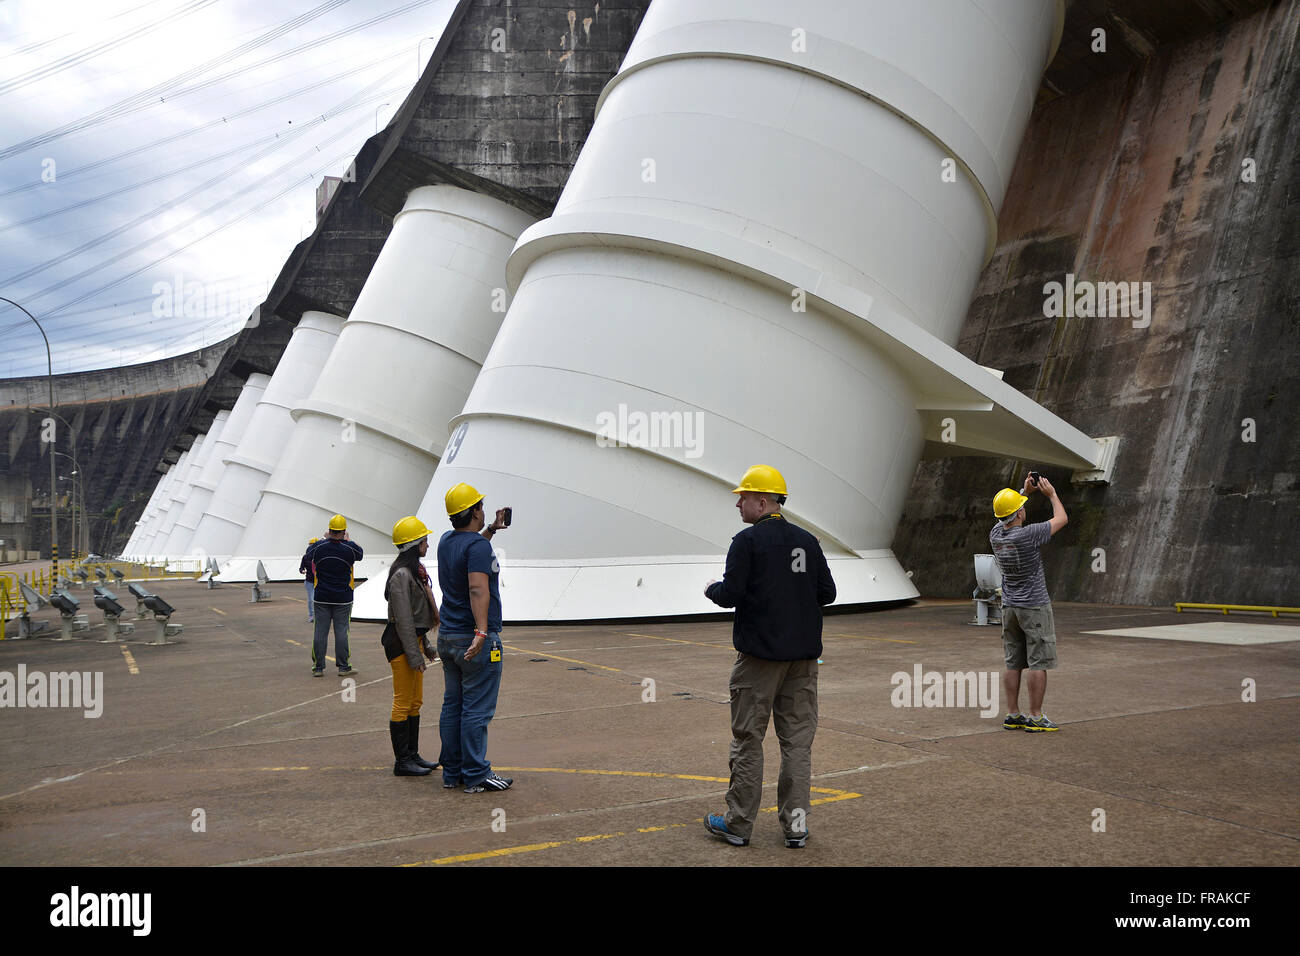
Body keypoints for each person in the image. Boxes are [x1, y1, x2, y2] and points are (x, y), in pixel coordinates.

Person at [702, 464, 836, 849]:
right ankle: (796, 827)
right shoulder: (808, 541)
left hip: (759, 658)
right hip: (803, 660)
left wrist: (712, 588)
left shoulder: (746, 542)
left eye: (743, 497)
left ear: (762, 502)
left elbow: (731, 595)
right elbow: (827, 594)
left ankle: (738, 823)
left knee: (748, 739)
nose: (738, 504)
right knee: (796, 743)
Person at [436, 482, 512, 793]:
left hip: (448, 636)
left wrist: (492, 530)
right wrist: (481, 631)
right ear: (475, 512)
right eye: (481, 507)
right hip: (473, 638)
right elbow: (477, 588)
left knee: (453, 704)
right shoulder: (478, 548)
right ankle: (477, 773)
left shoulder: (446, 541)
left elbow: (470, 552)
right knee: (477, 709)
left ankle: (452, 772)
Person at [990, 473, 1068, 733]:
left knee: (1013, 662)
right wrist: (1052, 495)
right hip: (1033, 605)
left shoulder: (996, 535)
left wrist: (1023, 492)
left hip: (1010, 606)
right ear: (1020, 514)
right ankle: (1035, 715)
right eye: (1021, 508)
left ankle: (1013, 713)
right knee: (1038, 662)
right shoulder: (1028, 535)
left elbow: (1006, 514)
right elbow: (1062, 519)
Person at [384, 516, 440, 776]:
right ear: (413, 544)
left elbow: (417, 620)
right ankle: (402, 762)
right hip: (401, 644)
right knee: (403, 702)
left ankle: (412, 755)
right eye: (424, 541)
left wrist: (425, 644)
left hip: (412, 641)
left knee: (415, 702)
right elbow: (403, 619)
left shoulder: (414, 572)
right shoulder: (401, 575)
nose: (427, 545)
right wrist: (414, 653)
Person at [310, 513, 363, 678]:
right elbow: (360, 553)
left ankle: (318, 667)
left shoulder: (319, 547)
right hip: (343, 598)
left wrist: (323, 539)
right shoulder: (349, 548)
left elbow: (308, 552)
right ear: (344, 531)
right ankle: (343, 666)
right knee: (341, 632)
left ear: (329, 530)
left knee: (320, 631)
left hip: (321, 596)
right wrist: (347, 540)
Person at [299, 537, 319, 623]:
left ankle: (319, 616)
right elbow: (301, 568)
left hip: (319, 581)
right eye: (310, 545)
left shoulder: (319, 556)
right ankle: (311, 615)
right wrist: (302, 571)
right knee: (311, 599)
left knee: (319, 600)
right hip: (309, 581)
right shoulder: (306, 557)